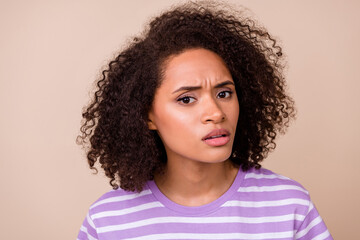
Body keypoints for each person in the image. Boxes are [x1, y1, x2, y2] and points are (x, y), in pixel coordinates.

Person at [76, 1, 332, 239]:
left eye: (224, 93)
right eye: (187, 99)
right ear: (147, 115)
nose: (216, 112)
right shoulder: (107, 222)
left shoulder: (289, 206)